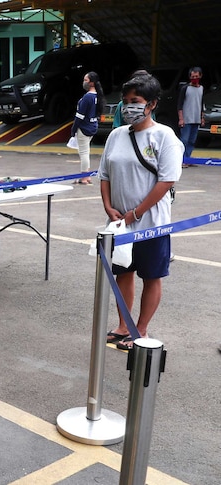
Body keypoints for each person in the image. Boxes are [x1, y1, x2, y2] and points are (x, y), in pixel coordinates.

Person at [98, 74, 183, 350]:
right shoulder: (115, 135)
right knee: (123, 273)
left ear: (152, 104)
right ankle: (124, 326)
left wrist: (136, 213)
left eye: (135, 101)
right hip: (121, 224)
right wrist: (108, 206)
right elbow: (105, 174)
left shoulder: (164, 136)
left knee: (151, 275)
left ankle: (141, 330)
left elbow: (166, 180)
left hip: (152, 223)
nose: (128, 107)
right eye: (125, 102)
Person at [71, 71, 104, 185]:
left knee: (83, 153)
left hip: (84, 128)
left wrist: (73, 129)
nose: (84, 82)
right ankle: (87, 176)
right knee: (86, 151)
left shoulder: (87, 97)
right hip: (92, 126)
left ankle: (84, 177)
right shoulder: (97, 96)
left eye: (86, 80)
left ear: (91, 83)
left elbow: (79, 116)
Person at [177, 66, 205, 167]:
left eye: (196, 76)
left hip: (196, 119)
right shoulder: (185, 88)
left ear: (200, 76)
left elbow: (201, 104)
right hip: (186, 119)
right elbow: (179, 104)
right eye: (192, 76)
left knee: (192, 141)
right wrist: (181, 118)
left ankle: (188, 159)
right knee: (184, 140)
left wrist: (202, 117)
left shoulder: (201, 89)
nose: (194, 78)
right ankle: (181, 160)